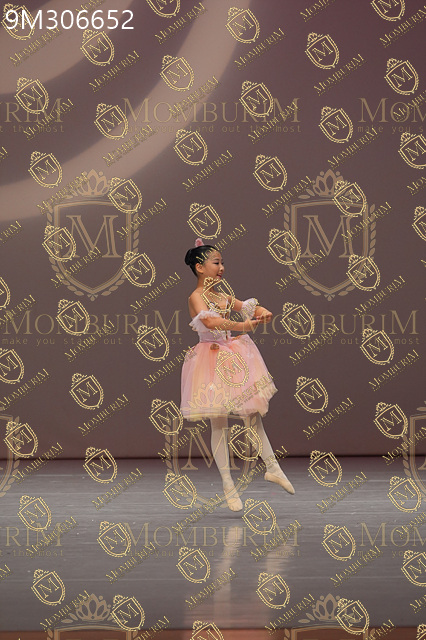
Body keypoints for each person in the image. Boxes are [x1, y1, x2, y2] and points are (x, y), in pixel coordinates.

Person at [180, 238, 295, 512]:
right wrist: (244, 325)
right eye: (216, 262)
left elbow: (246, 306)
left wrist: (261, 312)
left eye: (222, 262)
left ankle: (273, 467)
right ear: (200, 267)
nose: (221, 267)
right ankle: (228, 485)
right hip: (210, 360)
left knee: (252, 414)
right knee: (219, 422)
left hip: (232, 358)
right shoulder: (196, 297)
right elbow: (211, 321)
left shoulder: (222, 296)